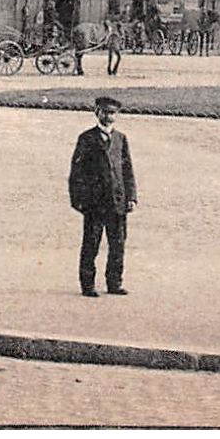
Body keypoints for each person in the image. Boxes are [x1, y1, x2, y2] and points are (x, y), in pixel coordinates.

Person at [69, 96, 137, 297]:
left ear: (117, 115)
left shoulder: (121, 139)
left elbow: (127, 170)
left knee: (117, 244)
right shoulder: (87, 138)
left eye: (112, 113)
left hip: (117, 201)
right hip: (95, 203)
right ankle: (87, 284)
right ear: (97, 113)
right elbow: (77, 172)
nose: (109, 116)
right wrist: (79, 201)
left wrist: (131, 196)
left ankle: (114, 283)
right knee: (91, 244)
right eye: (105, 112)